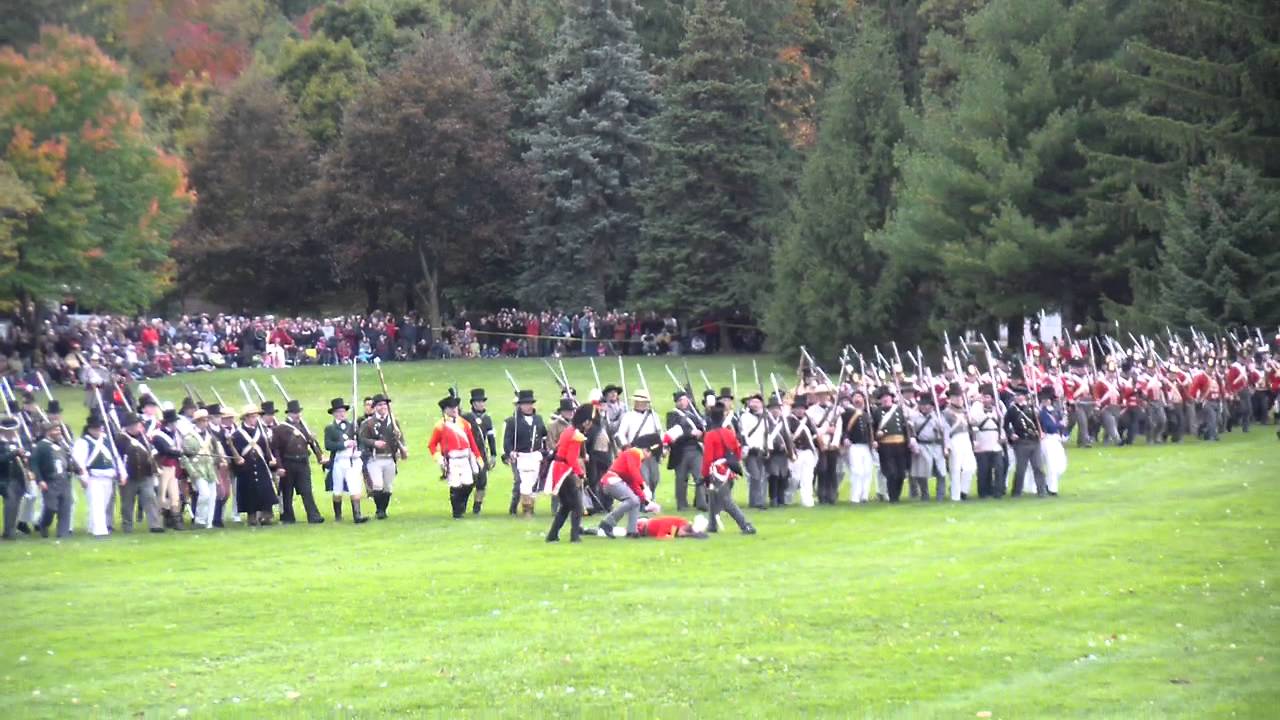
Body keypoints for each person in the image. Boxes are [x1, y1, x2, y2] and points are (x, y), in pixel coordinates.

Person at [700, 404, 756, 535]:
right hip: (728, 470)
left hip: (717, 471)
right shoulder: (729, 433)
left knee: (726, 501)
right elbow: (737, 452)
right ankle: (712, 525)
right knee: (713, 497)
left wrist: (704, 475)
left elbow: (708, 458)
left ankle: (745, 525)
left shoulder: (709, 435)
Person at [270, 399, 326, 524]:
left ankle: (313, 516)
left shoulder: (303, 427)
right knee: (287, 492)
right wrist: (279, 466)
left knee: (307, 490)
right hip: (288, 462)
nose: (297, 415)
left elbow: (311, 443)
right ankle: (287, 517)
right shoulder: (280, 429)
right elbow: (276, 450)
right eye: (295, 413)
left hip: (302, 462)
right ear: (289, 413)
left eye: (298, 412)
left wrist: (319, 456)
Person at [595, 432, 661, 538]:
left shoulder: (635, 456)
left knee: (636, 501)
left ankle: (632, 530)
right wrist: (644, 486)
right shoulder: (633, 453)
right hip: (612, 480)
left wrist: (646, 501)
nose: (649, 457)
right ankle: (608, 522)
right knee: (633, 500)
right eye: (650, 454)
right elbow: (633, 472)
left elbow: (633, 482)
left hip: (614, 481)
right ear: (646, 450)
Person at [545, 405, 594, 543]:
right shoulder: (575, 435)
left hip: (559, 469)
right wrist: (581, 474)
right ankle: (574, 536)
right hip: (564, 472)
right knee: (577, 506)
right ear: (585, 421)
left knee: (566, 505)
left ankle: (552, 535)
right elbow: (571, 459)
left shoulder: (569, 430)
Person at [72, 413, 123, 536]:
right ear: (89, 429)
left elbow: (115, 457)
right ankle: (100, 531)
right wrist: (83, 477)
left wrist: (122, 472)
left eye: (99, 428)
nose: (98, 431)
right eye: (95, 428)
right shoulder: (82, 442)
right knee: (97, 504)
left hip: (108, 476)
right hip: (93, 478)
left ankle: (92, 526)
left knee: (104, 504)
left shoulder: (107, 440)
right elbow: (79, 462)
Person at [228, 404, 278, 527]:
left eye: (256, 416)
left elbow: (266, 449)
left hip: (260, 466)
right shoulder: (237, 434)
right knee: (249, 492)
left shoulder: (261, 432)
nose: (255, 419)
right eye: (252, 417)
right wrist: (238, 461)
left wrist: (270, 460)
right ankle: (252, 515)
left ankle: (266, 514)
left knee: (264, 489)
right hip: (247, 467)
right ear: (246, 418)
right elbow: (234, 452)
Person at [359, 394, 406, 519]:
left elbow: (400, 439)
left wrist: (402, 448)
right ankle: (379, 510)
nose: (383, 407)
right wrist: (374, 443)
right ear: (375, 407)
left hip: (390, 457)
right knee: (377, 485)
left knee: (387, 487)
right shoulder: (368, 423)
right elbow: (362, 438)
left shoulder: (393, 422)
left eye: (385, 404)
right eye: (380, 405)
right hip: (375, 458)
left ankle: (383, 510)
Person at [116, 412, 163, 533]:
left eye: (137, 424)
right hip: (129, 476)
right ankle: (127, 526)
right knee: (127, 503)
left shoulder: (144, 437)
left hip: (145, 474)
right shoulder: (120, 439)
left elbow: (151, 452)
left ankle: (155, 525)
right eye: (133, 425)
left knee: (150, 498)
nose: (136, 427)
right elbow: (118, 458)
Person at [323, 398, 368, 524]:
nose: (342, 414)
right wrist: (343, 444)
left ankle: (357, 515)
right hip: (339, 461)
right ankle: (338, 515)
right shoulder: (330, 428)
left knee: (354, 486)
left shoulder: (353, 426)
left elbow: (361, 441)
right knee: (337, 489)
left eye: (343, 411)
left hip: (352, 460)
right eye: (338, 412)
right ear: (334, 413)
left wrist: (359, 451)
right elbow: (328, 445)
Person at [502, 390, 547, 517]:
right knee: (522, 482)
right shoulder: (512, 421)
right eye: (525, 404)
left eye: (530, 403)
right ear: (520, 405)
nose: (528, 406)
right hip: (520, 456)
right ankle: (522, 509)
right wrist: (510, 452)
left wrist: (544, 450)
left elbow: (544, 435)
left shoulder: (538, 419)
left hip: (534, 455)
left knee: (533, 483)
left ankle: (530, 508)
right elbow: (507, 440)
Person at [1003, 386, 1048, 497]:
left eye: (1020, 395)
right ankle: (1017, 491)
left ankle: (1041, 490)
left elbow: (1039, 422)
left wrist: (1042, 432)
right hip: (1021, 442)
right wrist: (1011, 434)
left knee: (1038, 467)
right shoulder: (1012, 410)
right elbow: (1006, 425)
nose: (1017, 397)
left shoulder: (1032, 408)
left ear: (1024, 396)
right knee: (1020, 469)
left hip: (1034, 440)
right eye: (1016, 395)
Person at [32, 421, 74, 538]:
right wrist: (40, 480)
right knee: (51, 507)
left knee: (65, 507)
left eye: (59, 430)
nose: (59, 432)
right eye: (56, 430)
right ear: (48, 432)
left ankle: (63, 533)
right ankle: (43, 524)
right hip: (50, 481)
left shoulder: (62, 445)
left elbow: (67, 460)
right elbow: (34, 464)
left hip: (64, 479)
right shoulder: (41, 446)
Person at [615, 390, 662, 493]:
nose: (641, 403)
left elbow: (659, 432)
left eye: (643, 402)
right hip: (637, 451)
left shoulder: (653, 415)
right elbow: (621, 434)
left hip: (652, 451)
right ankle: (646, 499)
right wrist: (626, 446)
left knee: (655, 478)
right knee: (644, 478)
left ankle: (650, 496)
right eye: (638, 401)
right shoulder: (628, 416)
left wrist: (663, 447)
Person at [666, 390, 706, 511]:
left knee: (700, 476)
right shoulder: (673, 415)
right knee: (681, 478)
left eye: (684, 399)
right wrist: (690, 433)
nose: (683, 402)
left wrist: (700, 433)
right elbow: (673, 432)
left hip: (695, 449)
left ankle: (701, 502)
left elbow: (701, 427)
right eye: (680, 400)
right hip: (681, 450)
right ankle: (682, 504)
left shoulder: (694, 414)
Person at [871, 387, 912, 502]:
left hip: (901, 445)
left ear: (891, 398)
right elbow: (872, 428)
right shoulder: (877, 412)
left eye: (887, 397)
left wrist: (910, 440)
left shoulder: (900, 410)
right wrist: (876, 437)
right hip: (886, 446)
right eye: (883, 397)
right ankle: (893, 497)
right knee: (891, 473)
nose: (885, 399)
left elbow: (906, 427)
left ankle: (896, 495)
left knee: (901, 473)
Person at [182, 409, 221, 528]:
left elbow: (214, 452)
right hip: (197, 469)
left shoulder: (210, 436)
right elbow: (185, 456)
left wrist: (217, 459)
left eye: (206, 420)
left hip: (209, 469)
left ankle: (209, 522)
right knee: (205, 494)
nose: (206, 423)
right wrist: (191, 471)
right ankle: (199, 520)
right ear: (197, 422)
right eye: (203, 420)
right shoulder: (189, 437)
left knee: (212, 496)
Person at [461, 388, 497, 515]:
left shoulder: (487, 419)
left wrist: (493, 454)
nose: (481, 404)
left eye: (482, 401)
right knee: (467, 482)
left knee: (482, 482)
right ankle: (462, 504)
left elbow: (491, 438)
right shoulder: (465, 417)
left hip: (481, 454)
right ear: (473, 403)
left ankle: (477, 506)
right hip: (468, 454)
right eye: (478, 401)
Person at [149, 408, 185, 530]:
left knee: (175, 495)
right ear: (169, 423)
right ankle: (158, 522)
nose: (176, 424)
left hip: (172, 467)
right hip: (162, 468)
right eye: (174, 422)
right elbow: (165, 450)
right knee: (162, 495)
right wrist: (180, 453)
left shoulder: (174, 434)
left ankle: (176, 521)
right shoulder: (158, 435)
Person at [909, 393, 948, 502]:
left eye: (927, 405)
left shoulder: (939, 417)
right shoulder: (914, 417)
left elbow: (946, 432)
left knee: (941, 472)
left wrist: (946, 446)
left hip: (937, 446)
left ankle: (940, 495)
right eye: (922, 405)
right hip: (922, 446)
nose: (924, 407)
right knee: (922, 473)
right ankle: (924, 494)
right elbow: (911, 432)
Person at [942, 384, 976, 501]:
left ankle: (963, 491)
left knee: (970, 467)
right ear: (950, 398)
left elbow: (973, 426)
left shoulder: (966, 411)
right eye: (955, 397)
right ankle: (955, 495)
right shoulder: (946, 412)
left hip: (966, 439)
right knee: (955, 468)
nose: (959, 399)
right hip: (954, 439)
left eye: (960, 397)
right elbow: (945, 430)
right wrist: (946, 445)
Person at [970, 385, 1004, 498]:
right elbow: (973, 422)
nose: (985, 399)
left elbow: (1002, 423)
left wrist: (1002, 436)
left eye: (987, 397)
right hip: (982, 441)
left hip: (995, 441)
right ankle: (983, 492)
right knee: (984, 469)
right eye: (983, 397)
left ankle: (998, 491)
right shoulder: (976, 409)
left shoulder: (998, 409)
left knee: (999, 467)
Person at [841, 390, 874, 504]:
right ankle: (855, 496)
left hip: (866, 446)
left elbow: (870, 431)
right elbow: (844, 428)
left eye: (860, 396)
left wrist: (873, 441)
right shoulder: (847, 413)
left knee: (867, 471)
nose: (858, 399)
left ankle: (864, 495)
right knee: (857, 471)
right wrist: (845, 438)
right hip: (854, 445)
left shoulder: (867, 414)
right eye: (855, 397)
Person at [739, 393, 770, 510]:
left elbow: (766, 434)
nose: (755, 404)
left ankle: (755, 501)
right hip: (750, 451)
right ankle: (758, 502)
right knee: (755, 476)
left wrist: (767, 448)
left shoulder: (765, 417)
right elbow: (744, 433)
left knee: (760, 476)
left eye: (758, 402)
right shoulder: (745, 417)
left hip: (761, 450)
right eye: (753, 402)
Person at [786, 395, 818, 506]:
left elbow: (814, 434)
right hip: (796, 452)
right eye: (798, 408)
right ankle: (788, 497)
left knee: (808, 477)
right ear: (793, 409)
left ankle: (807, 500)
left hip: (807, 452)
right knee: (794, 478)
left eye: (802, 408)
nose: (800, 411)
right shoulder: (788, 420)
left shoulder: (808, 420)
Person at [1, 417, 29, 539]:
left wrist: (25, 457)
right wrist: (14, 453)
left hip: (18, 478)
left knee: (16, 505)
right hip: (4, 479)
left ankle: (12, 528)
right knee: (10, 504)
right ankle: (8, 532)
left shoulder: (18, 442)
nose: (12, 432)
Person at [1037, 388, 1067, 496]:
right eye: (1044, 400)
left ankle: (1047, 484)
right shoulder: (1042, 413)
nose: (1045, 401)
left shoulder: (1056, 411)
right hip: (1048, 439)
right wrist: (1060, 424)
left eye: (1047, 399)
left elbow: (1062, 426)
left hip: (1056, 439)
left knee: (1061, 465)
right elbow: (1048, 426)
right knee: (1052, 465)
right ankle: (1052, 489)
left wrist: (1064, 433)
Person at [633, 515, 708, 539]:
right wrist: (673, 535)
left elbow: (677, 533)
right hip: (640, 526)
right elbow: (660, 536)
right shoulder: (672, 525)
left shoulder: (681, 523)